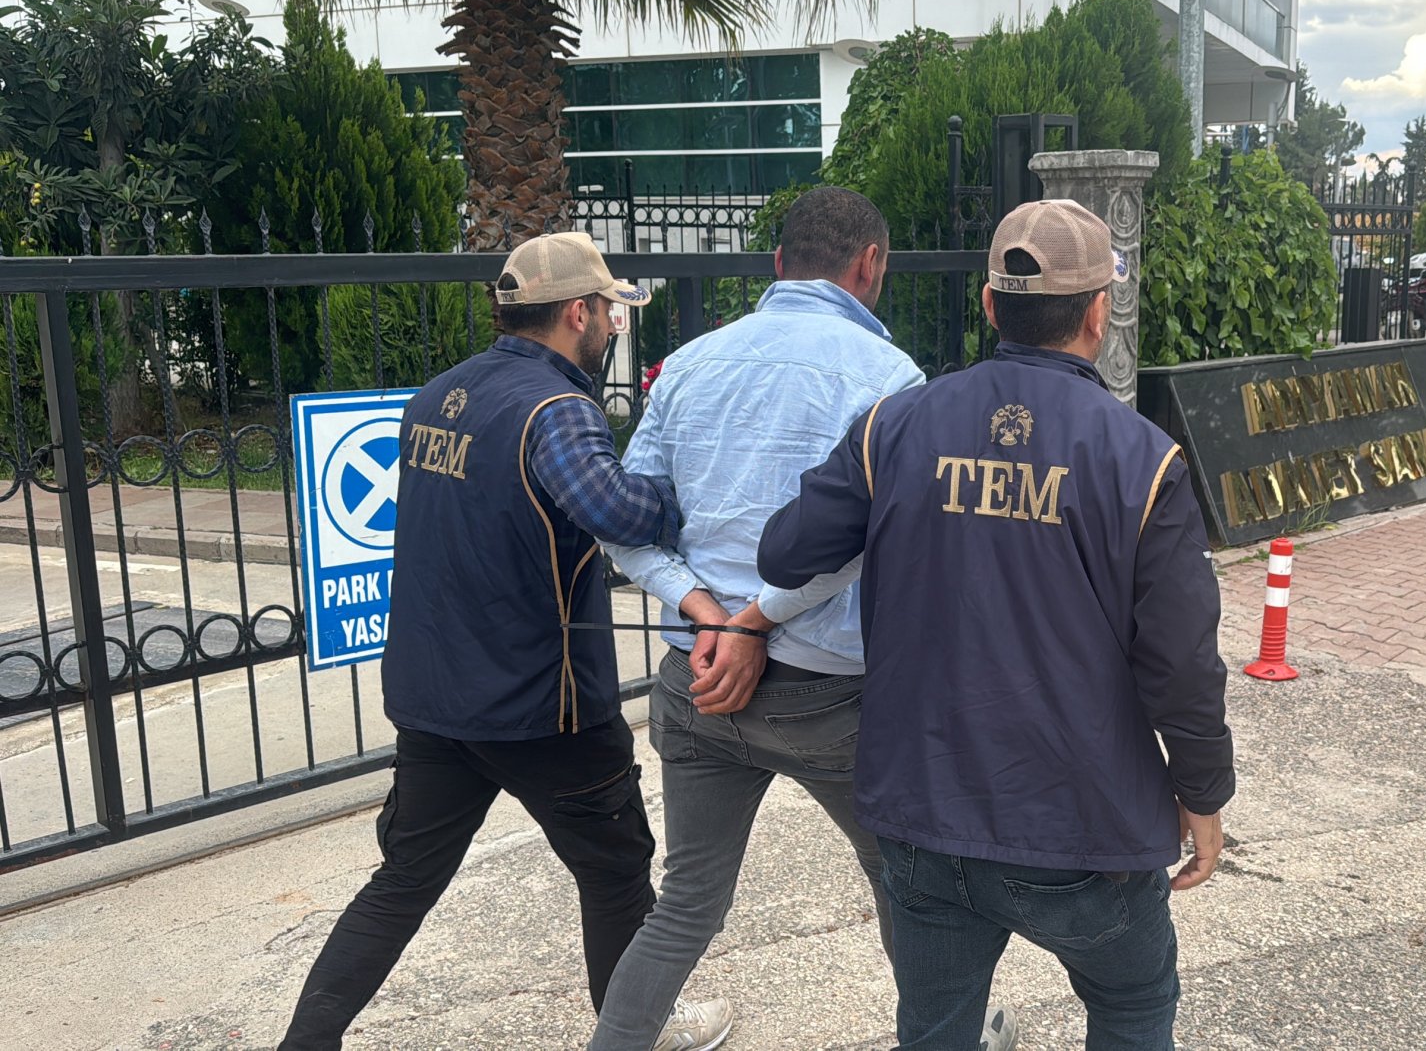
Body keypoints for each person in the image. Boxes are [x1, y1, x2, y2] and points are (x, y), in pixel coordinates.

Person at [757, 200, 1236, 1051]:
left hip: (922, 813)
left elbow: (786, 551)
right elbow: (1180, 665)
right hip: (1083, 825)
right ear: (1099, 310)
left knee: (936, 1031)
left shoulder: (894, 425)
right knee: (1130, 1006)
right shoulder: (1142, 459)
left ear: (988, 305)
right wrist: (1202, 793)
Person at [592, 187, 1018, 1051]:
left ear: (778, 263)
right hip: (828, 696)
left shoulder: (688, 363)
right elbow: (863, 543)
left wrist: (710, 611)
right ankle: (953, 1039)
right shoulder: (890, 381)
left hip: (697, 679)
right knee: (910, 884)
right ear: (871, 265)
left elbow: (624, 524)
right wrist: (755, 618)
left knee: (685, 906)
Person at [278, 232, 719, 1049]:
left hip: (433, 698)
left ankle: (305, 1042)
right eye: (610, 314)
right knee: (616, 871)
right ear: (578, 312)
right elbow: (616, 511)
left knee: (404, 879)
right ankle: (633, 1032)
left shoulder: (437, 395)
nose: (615, 329)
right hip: (538, 706)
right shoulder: (556, 410)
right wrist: (676, 491)